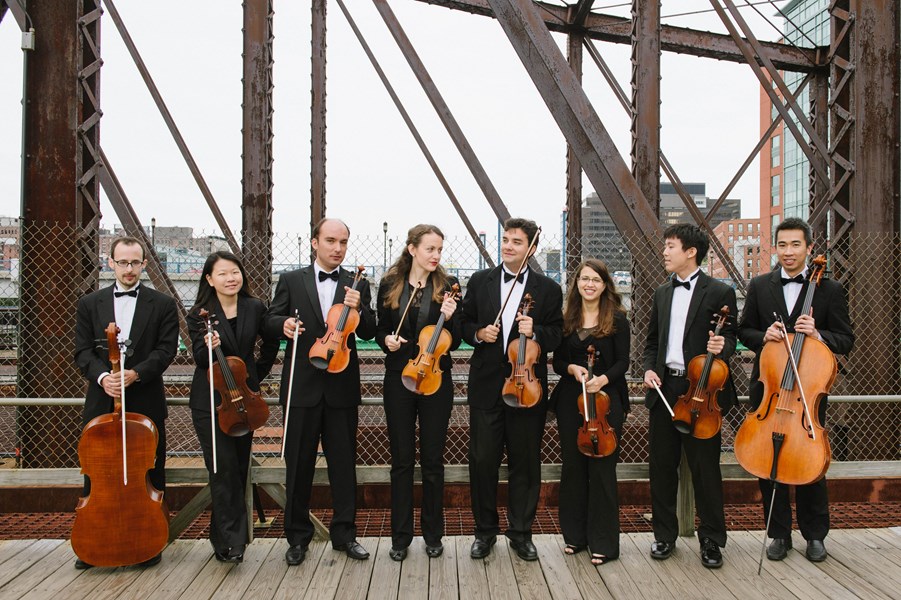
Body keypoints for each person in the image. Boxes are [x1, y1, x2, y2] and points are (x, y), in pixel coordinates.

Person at [737, 217, 854, 563]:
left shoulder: (830, 290)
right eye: (783, 245)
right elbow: (744, 332)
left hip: (807, 394)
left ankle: (815, 535)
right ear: (776, 247)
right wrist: (764, 336)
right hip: (771, 389)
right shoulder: (760, 285)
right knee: (769, 464)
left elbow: (846, 339)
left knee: (810, 465)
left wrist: (818, 335)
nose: (788, 251)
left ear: (809, 248)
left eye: (795, 245)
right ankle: (779, 534)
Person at [267, 218, 376, 566]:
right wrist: (283, 325)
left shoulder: (357, 283)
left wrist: (360, 308)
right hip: (302, 388)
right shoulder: (290, 280)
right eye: (330, 241)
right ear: (315, 242)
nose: (337, 248)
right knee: (298, 467)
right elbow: (270, 320)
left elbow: (370, 331)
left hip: (341, 388)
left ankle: (345, 535)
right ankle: (297, 538)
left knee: (343, 466)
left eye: (343, 242)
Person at [73, 236, 180, 569]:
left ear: (144, 264)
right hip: (102, 402)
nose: (129, 269)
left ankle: (148, 541)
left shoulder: (162, 304)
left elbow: (166, 350)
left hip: (145, 399)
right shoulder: (89, 303)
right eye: (122, 262)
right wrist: (103, 378)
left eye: (135, 262)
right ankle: (95, 542)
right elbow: (82, 352)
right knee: (98, 474)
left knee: (150, 472)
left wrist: (136, 373)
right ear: (111, 263)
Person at [460, 217, 563, 562]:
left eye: (517, 242)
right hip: (487, 386)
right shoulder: (480, 281)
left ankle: (521, 533)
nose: (508, 246)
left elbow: (557, 334)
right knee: (482, 462)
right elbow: (463, 323)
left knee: (526, 463)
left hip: (528, 388)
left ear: (531, 249)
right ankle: (484, 532)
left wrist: (537, 332)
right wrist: (478, 334)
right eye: (506, 239)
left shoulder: (548, 289)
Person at [642, 224, 737, 569]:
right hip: (664, 389)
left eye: (671, 246)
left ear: (691, 251)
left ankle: (711, 540)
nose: (665, 252)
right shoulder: (661, 293)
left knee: (705, 470)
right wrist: (648, 369)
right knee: (662, 468)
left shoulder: (720, 291)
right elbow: (652, 342)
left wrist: (722, 345)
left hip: (701, 390)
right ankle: (664, 535)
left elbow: (731, 338)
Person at [375, 224, 461, 561]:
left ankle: (433, 534)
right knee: (401, 460)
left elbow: (456, 338)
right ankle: (400, 537)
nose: (436, 255)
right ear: (412, 249)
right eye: (430, 249)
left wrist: (451, 317)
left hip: (436, 380)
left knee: (433, 460)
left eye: (439, 249)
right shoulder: (390, 284)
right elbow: (381, 328)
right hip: (399, 377)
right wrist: (387, 340)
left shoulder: (448, 287)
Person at [187, 251, 278, 564]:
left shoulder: (254, 307)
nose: (231, 278)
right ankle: (234, 541)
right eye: (223, 274)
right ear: (210, 279)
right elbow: (200, 359)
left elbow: (271, 343)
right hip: (212, 401)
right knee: (222, 468)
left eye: (235, 272)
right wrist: (208, 346)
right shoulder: (199, 314)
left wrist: (254, 376)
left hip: (244, 399)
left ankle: (223, 538)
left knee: (238, 468)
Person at [551, 259, 629, 566]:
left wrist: (603, 379)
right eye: (584, 279)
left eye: (596, 279)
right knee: (573, 468)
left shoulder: (618, 319)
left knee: (602, 471)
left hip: (606, 401)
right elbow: (558, 362)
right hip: (571, 400)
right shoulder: (567, 318)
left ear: (605, 284)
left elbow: (623, 362)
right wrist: (572, 368)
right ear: (577, 283)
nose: (589, 284)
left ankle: (604, 543)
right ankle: (575, 536)